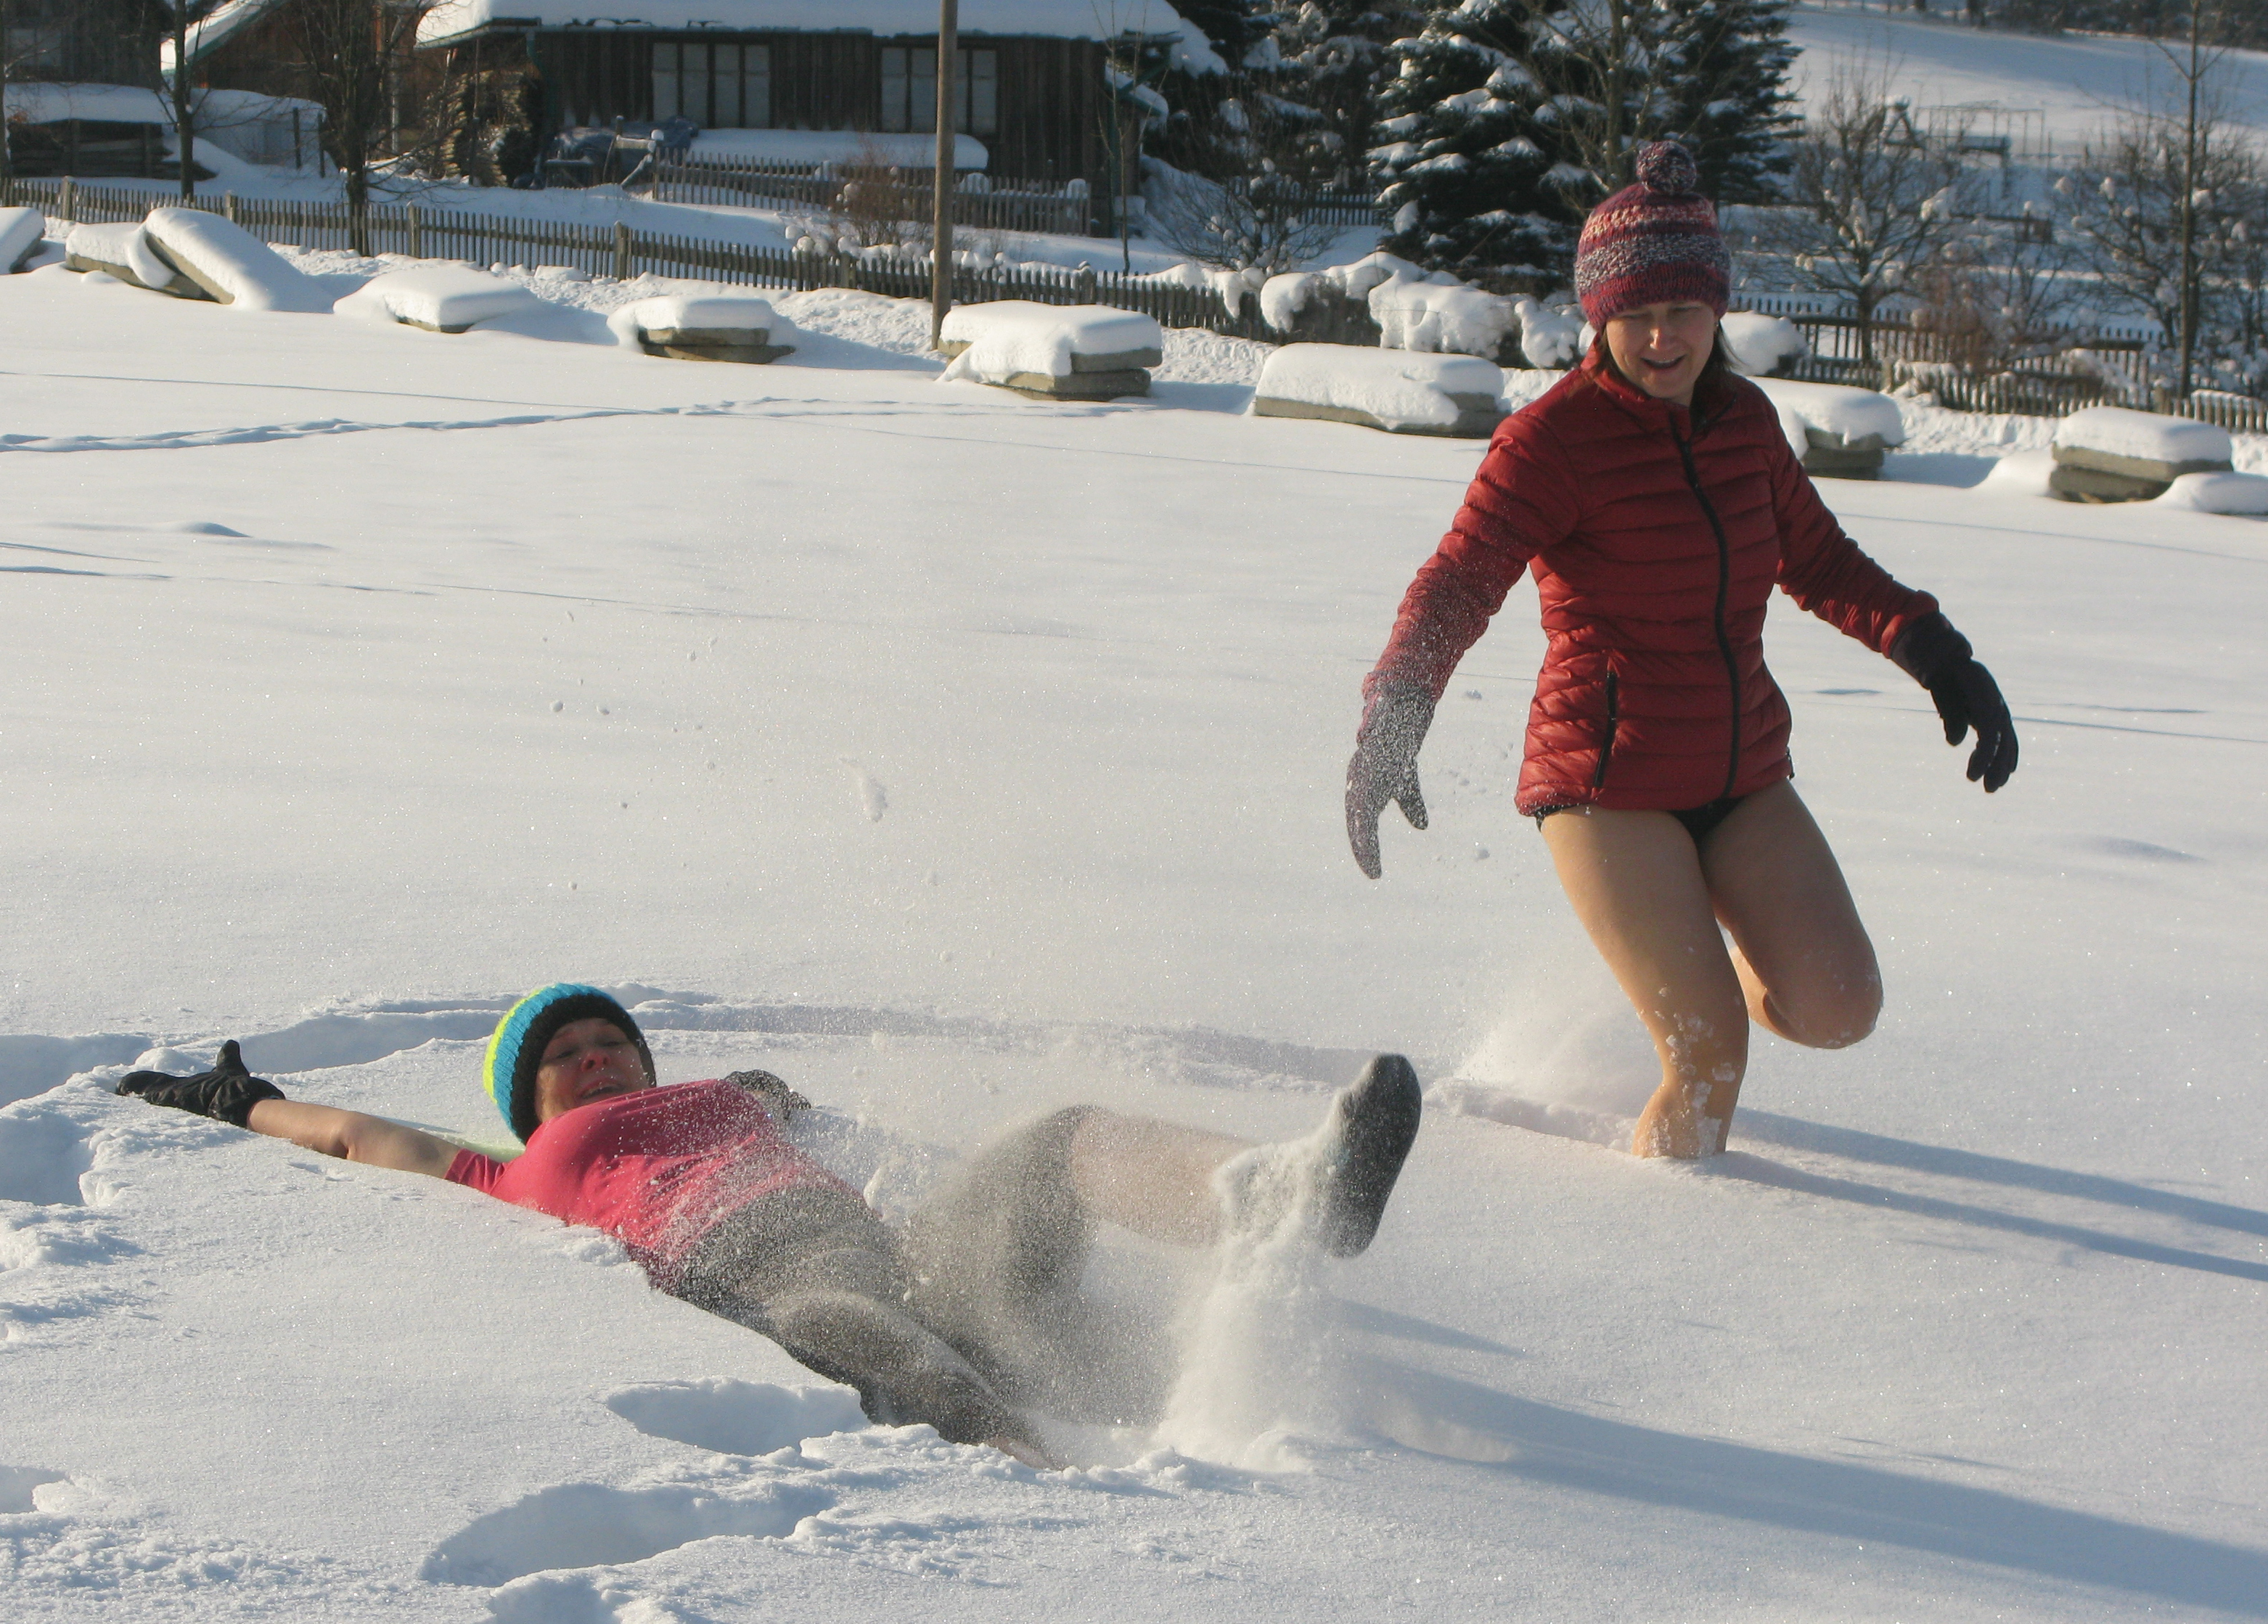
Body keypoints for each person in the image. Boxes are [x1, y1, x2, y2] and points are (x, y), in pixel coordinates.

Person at [1345, 142, 2018, 1161]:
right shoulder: (1550, 442)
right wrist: (1397, 710)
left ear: (1717, 311)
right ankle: (1663, 1236)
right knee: (1709, 1056)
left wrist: (1938, 653)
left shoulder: (1745, 424)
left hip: (1739, 771)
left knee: (1840, 1005)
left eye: (1686, 310)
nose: (1664, 337)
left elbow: (1821, 560)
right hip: (1606, 784)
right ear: (1599, 318)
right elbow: (1459, 580)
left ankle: (1706, 965)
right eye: (1638, 314)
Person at [117, 982, 1424, 1465]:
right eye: (562, 1054)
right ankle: (1054, 1483)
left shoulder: (739, 1091)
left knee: (1057, 1136)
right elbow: (367, 1140)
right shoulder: (518, 1171)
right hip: (769, 1284)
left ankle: (1274, 1194)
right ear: (529, 1103)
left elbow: (892, 1146)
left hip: (917, 1257)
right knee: (856, 1325)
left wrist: (989, 1191)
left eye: (610, 1038)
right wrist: (246, 1104)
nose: (595, 1056)